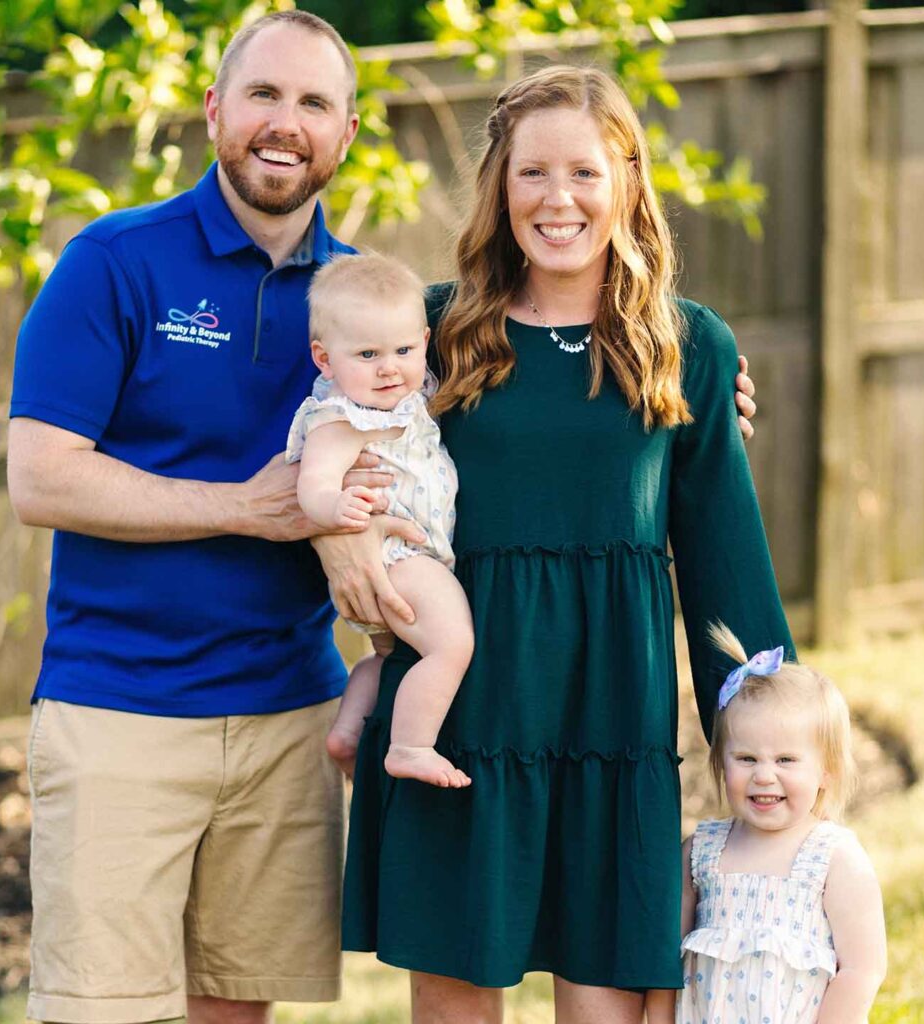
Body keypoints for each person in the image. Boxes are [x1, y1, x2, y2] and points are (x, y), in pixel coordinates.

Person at [322, 66, 786, 1023]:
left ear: (626, 180)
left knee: (611, 1001)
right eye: (532, 173)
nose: (557, 198)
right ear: (500, 186)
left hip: (611, 711)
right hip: (467, 706)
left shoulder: (685, 345)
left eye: (583, 171)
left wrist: (775, 722)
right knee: (455, 998)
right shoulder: (436, 330)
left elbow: (721, 551)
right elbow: (332, 422)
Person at [5, 12, 430, 1024]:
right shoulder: (114, 262)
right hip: (119, 713)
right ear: (214, 112)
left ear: (348, 132)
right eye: (263, 95)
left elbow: (493, 389)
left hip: (289, 716)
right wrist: (245, 509)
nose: (285, 124)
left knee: (235, 1011)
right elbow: (42, 478)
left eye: (314, 103)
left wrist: (695, 377)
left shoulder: (365, 304)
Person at [288, 253, 473, 788]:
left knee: (388, 656)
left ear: (424, 339)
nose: (389, 367)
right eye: (367, 354)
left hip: (411, 557)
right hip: (397, 557)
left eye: (403, 350)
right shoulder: (341, 417)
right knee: (452, 645)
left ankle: (348, 732)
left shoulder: (407, 397)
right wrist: (334, 509)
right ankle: (411, 746)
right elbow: (314, 485)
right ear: (324, 359)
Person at [665, 623, 886, 1024]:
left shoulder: (831, 856)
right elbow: (666, 960)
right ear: (720, 762)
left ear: (826, 772)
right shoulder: (702, 851)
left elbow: (863, 969)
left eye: (785, 760)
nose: (764, 776)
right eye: (746, 758)